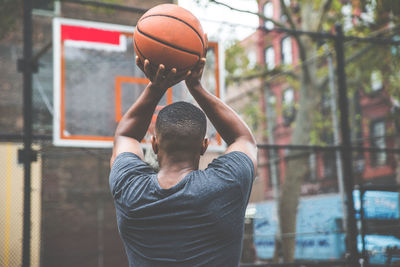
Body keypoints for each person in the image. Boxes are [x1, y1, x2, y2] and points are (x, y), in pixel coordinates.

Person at [109, 48, 257, 266]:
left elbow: (126, 134)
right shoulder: (227, 184)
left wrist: (156, 86)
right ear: (204, 146)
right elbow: (243, 138)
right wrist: (196, 87)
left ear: (154, 144)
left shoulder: (129, 188)